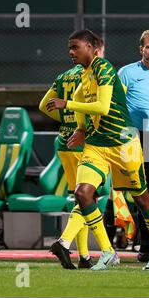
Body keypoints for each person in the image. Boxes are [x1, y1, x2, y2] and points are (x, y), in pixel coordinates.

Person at [46, 29, 149, 271]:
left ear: (91, 48)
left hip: (125, 143)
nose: (71, 52)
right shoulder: (85, 75)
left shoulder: (104, 68)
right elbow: (84, 105)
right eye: (69, 48)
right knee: (82, 194)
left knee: (142, 198)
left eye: (75, 47)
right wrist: (81, 129)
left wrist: (65, 103)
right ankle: (108, 251)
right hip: (97, 145)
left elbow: (101, 106)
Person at [39, 34, 105, 269]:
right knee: (89, 198)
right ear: (95, 50)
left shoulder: (63, 77)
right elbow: (96, 106)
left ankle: (84, 257)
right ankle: (65, 244)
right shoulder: (91, 75)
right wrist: (82, 126)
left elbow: (43, 106)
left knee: (80, 198)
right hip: (84, 142)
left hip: (63, 142)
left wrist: (65, 120)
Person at [116, 29, 149, 262]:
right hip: (128, 137)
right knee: (118, 192)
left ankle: (147, 248)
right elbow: (114, 106)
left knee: (148, 194)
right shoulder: (126, 73)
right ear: (141, 49)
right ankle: (110, 248)